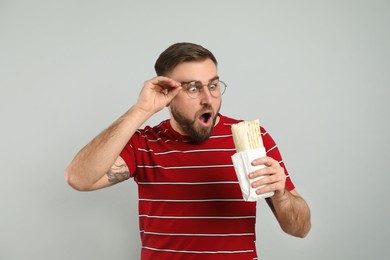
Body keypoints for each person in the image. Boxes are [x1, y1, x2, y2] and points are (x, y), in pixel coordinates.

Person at [65, 42, 311, 259]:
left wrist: (280, 194)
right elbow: (79, 178)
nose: (208, 98)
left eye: (213, 85)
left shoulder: (253, 138)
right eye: (193, 88)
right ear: (167, 94)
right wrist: (141, 110)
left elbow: (299, 229)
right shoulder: (145, 143)